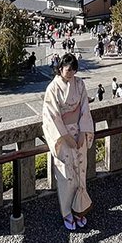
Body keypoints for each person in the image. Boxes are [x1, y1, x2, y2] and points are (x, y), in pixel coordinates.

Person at [41, 53, 95, 231]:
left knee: (80, 171)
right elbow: (52, 116)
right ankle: (66, 212)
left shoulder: (80, 84)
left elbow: (85, 109)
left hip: (79, 132)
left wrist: (83, 132)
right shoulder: (53, 88)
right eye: (67, 69)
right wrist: (65, 136)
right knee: (66, 175)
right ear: (60, 68)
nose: (70, 72)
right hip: (63, 136)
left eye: (73, 69)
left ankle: (79, 209)